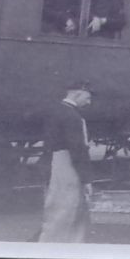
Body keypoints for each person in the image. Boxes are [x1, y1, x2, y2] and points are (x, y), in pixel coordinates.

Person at [36, 81, 94, 243]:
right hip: (66, 165)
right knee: (67, 208)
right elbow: (78, 150)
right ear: (77, 94)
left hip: (53, 162)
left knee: (55, 206)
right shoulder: (72, 116)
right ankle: (58, 248)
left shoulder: (55, 111)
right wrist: (86, 179)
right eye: (87, 98)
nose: (88, 103)